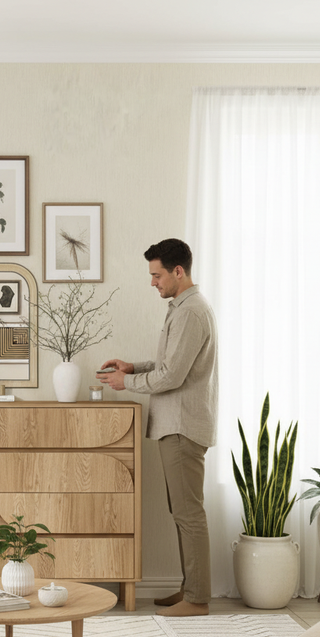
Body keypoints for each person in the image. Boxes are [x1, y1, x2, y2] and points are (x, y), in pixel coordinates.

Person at [99, 238, 218, 617]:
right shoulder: (182, 309)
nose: (153, 282)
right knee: (182, 511)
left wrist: (126, 384)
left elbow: (172, 376)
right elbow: (168, 363)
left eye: (157, 275)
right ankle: (190, 589)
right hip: (175, 425)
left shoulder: (190, 312)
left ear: (178, 271)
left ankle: (197, 599)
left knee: (189, 513)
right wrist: (133, 367)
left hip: (182, 426)